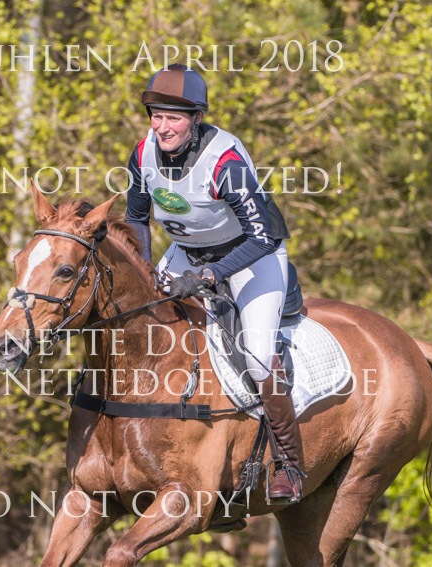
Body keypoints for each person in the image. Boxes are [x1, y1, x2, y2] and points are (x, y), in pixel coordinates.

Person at [124, 64, 304, 503]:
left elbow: (264, 236)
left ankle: (290, 464)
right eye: (156, 116)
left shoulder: (225, 164)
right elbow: (136, 217)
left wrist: (208, 276)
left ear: (196, 119)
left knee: (257, 356)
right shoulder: (142, 153)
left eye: (173, 118)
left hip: (250, 257)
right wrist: (144, 270)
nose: (162, 127)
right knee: (138, 322)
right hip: (187, 253)